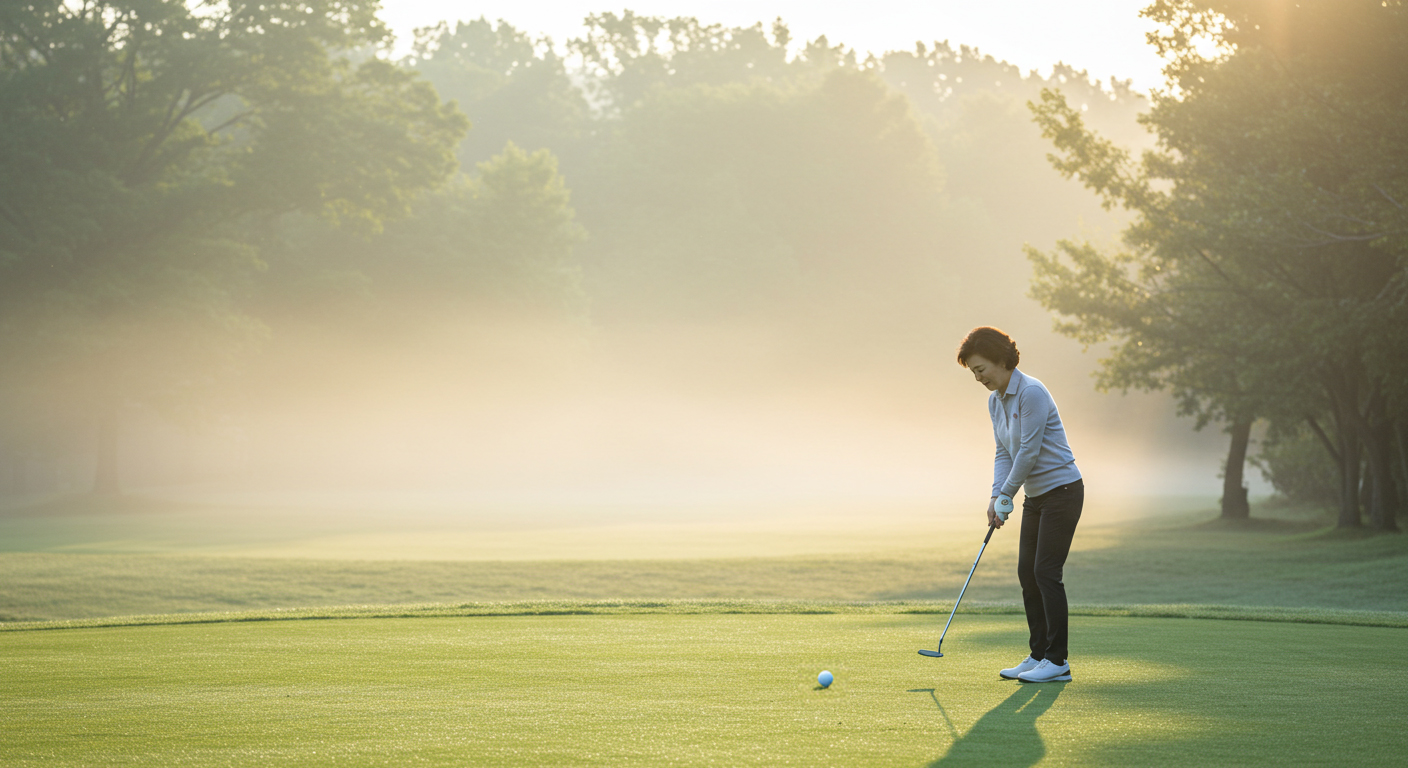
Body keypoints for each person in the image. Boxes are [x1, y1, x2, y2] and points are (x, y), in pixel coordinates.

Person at [957, 326, 1083, 683]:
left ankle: (1057, 661)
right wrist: (996, 494)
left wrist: (1006, 495)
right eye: (973, 372)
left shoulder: (1031, 392)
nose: (978, 378)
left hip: (1063, 491)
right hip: (1036, 496)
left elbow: (1028, 451)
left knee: (1046, 572)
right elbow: (1004, 451)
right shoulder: (995, 401)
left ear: (1001, 360)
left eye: (981, 369)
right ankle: (1038, 654)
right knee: (1027, 572)